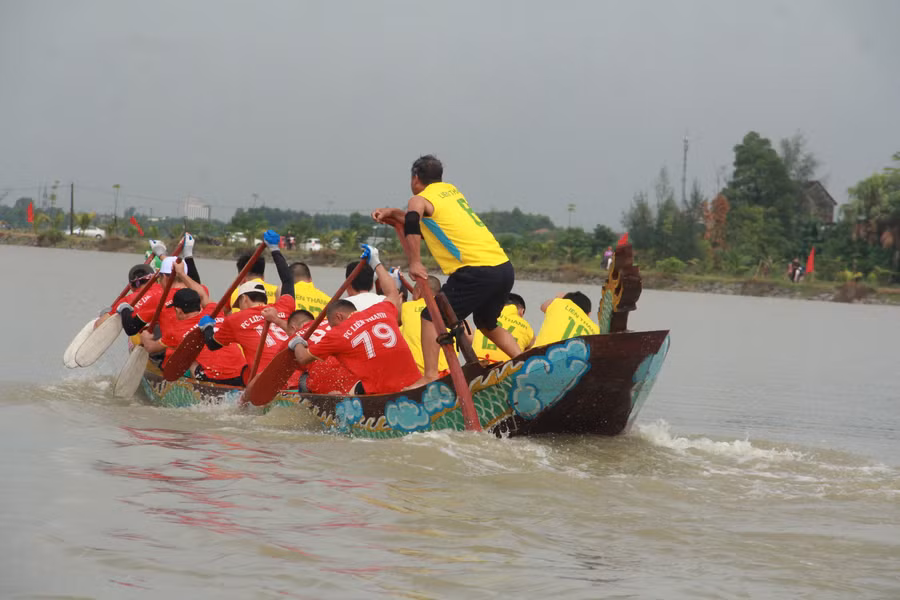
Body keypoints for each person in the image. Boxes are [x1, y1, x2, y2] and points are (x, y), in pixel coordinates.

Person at [371, 154, 520, 385]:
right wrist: (391, 213)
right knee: (487, 323)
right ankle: (523, 362)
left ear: (415, 178)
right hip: (503, 268)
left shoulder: (419, 199)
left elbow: (412, 220)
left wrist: (415, 262)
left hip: (475, 271)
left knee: (430, 316)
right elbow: (425, 220)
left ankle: (429, 376)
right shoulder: (451, 192)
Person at [288, 245, 421, 394]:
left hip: (380, 390)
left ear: (339, 316)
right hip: (413, 382)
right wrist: (376, 262)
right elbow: (392, 292)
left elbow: (302, 358)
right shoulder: (381, 309)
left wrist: (297, 341)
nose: (332, 328)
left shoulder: (336, 335)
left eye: (332, 325)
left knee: (332, 393)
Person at [200, 230, 295, 374]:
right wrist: (275, 250)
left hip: (262, 380)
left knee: (242, 370)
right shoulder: (283, 306)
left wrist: (207, 328)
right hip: (292, 374)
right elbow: (288, 280)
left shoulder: (235, 318)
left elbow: (212, 345)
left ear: (244, 299)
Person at [140, 285, 247, 385]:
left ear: (178, 310)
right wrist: (182, 274)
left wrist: (145, 337)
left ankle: (198, 382)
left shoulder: (175, 332)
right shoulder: (214, 311)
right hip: (242, 375)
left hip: (214, 379)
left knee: (188, 356)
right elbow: (203, 294)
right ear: (199, 305)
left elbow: (151, 348)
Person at [399, 275, 449, 374]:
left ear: (418, 291)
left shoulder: (406, 307)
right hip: (447, 371)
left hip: (418, 373)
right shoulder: (448, 308)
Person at [473, 292, 534, 363]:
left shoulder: (485, 319)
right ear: (521, 311)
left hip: (478, 366)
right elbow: (534, 353)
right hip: (508, 369)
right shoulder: (526, 326)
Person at [533, 291, 599, 347]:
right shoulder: (597, 330)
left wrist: (558, 298)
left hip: (538, 358)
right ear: (589, 314)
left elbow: (543, 306)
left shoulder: (559, 304)